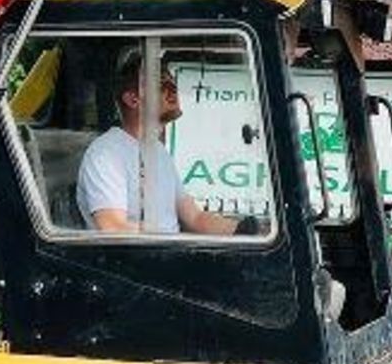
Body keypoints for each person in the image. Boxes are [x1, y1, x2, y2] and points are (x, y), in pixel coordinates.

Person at [77, 51, 260, 236]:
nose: (172, 88)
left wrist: (243, 231)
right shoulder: (106, 154)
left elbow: (195, 218)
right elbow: (114, 228)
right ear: (133, 100)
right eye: (160, 84)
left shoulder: (158, 151)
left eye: (172, 81)